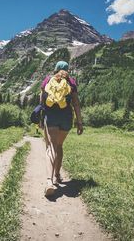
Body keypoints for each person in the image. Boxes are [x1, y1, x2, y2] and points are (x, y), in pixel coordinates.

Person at [39, 61, 83, 196]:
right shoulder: (72, 83)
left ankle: (49, 182)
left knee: (50, 147)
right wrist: (79, 122)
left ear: (55, 69)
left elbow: (41, 102)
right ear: (67, 70)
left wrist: (41, 119)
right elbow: (76, 104)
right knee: (59, 146)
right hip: (66, 118)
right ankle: (57, 175)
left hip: (51, 117)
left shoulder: (48, 80)